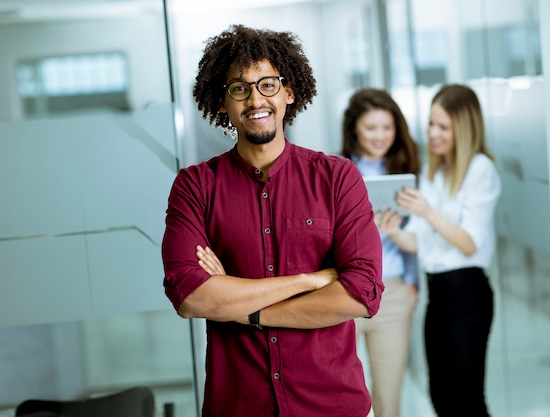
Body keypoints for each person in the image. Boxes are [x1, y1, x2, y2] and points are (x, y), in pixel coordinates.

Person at [161, 24, 384, 417]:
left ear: (289, 92)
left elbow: (360, 292)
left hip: (331, 403)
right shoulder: (195, 187)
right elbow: (191, 296)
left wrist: (241, 305)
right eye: (239, 88)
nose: (254, 99)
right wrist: (306, 281)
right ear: (223, 102)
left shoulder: (337, 177)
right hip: (239, 405)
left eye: (267, 84)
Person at [396, 83, 501, 417]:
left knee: (468, 399)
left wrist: (428, 212)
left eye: (442, 126)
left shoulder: (480, 169)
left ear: (463, 128)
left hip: (467, 292)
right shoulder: (435, 171)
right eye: (430, 124)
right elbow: (417, 240)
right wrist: (386, 229)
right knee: (441, 396)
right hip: (437, 294)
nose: (432, 133)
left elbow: (469, 242)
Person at [340, 88, 420, 417]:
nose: (380, 136)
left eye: (387, 128)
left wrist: (413, 282)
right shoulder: (335, 171)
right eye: (371, 128)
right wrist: (362, 226)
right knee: (343, 398)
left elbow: (419, 234)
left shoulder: (406, 170)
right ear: (354, 129)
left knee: (389, 399)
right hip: (346, 294)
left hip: (395, 294)